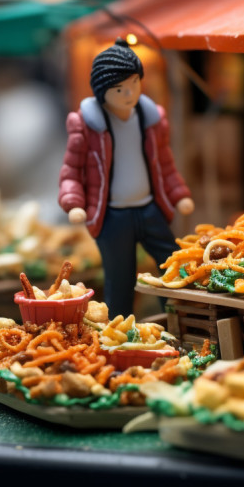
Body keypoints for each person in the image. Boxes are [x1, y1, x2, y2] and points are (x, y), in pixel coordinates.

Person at [58, 38, 193, 316]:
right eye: (119, 89)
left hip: (149, 208)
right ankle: (118, 334)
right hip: (113, 216)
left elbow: (165, 164)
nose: (129, 93)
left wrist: (179, 195)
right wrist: (74, 203)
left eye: (134, 83)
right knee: (120, 279)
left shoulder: (151, 119)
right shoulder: (87, 126)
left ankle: (178, 319)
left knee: (172, 264)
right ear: (101, 93)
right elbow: (72, 170)